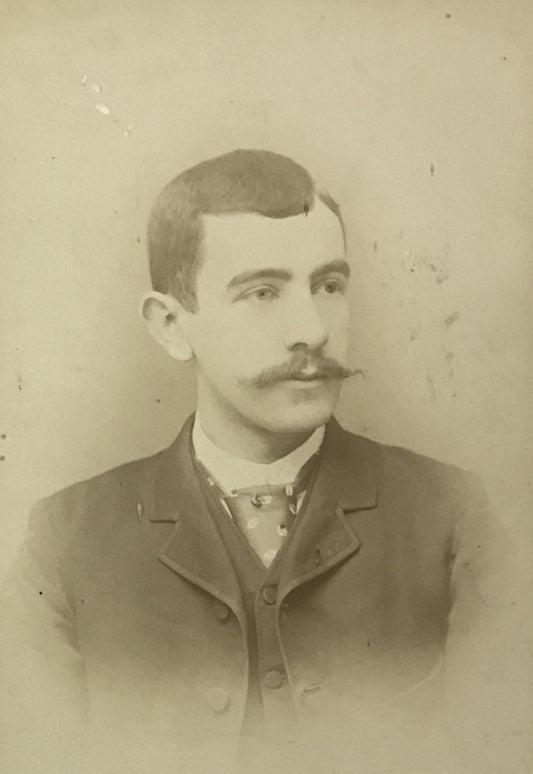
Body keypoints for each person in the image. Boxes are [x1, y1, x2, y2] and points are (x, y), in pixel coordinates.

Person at [0, 150, 511, 774]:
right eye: (263, 292)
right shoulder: (64, 541)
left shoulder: (452, 516)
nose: (313, 330)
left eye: (329, 286)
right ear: (170, 325)